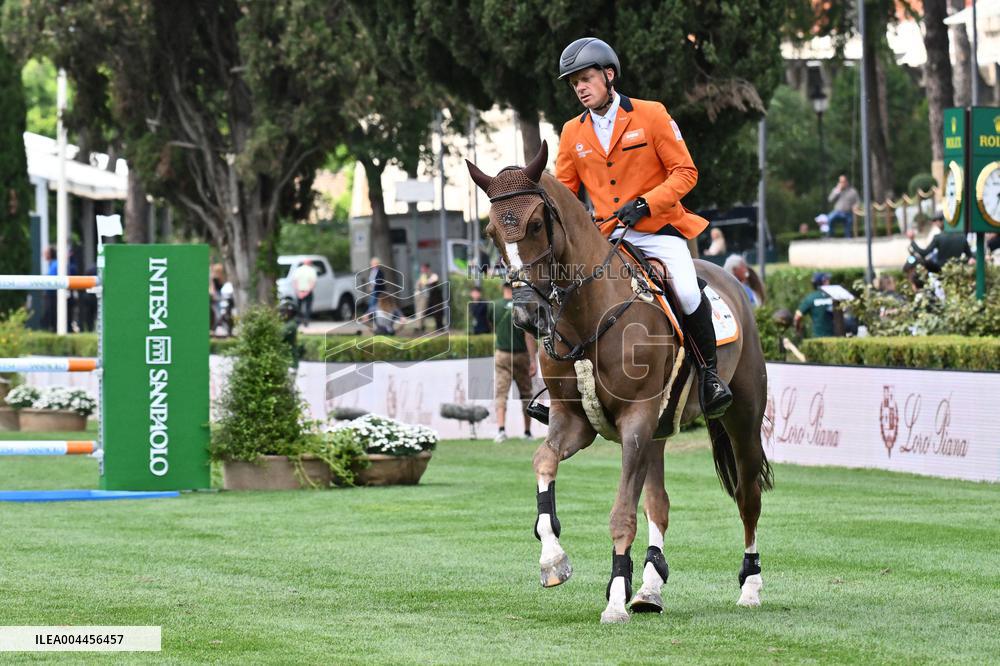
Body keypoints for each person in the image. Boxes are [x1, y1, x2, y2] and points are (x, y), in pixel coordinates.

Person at [554, 37, 731, 418]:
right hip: (606, 238)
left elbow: (686, 172)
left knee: (685, 291)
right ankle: (558, 387)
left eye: (586, 78)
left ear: (609, 74)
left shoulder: (651, 114)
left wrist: (647, 203)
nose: (580, 88)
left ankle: (709, 376)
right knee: (565, 294)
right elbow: (566, 197)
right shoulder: (571, 132)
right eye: (574, 84)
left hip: (657, 229)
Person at [490, 282, 537, 442]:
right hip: (521, 355)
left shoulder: (494, 306)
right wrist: (533, 360)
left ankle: (501, 430)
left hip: (502, 354)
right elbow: (529, 335)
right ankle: (527, 432)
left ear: (503, 288)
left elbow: (493, 327)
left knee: (501, 393)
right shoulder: (523, 307)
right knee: (526, 394)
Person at [906, 213, 972, 272]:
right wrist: (960, 263)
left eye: (935, 221)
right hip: (957, 271)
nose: (935, 224)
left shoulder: (938, 237)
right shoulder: (962, 236)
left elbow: (924, 253)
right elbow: (969, 256)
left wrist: (912, 241)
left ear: (942, 222)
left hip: (942, 271)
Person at [794, 272, 835, 338]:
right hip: (836, 335)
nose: (829, 282)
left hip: (818, 337)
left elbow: (797, 316)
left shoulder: (811, 298)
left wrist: (798, 329)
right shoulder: (834, 296)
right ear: (823, 282)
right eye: (827, 280)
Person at [291, 259, 319, 325]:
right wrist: (307, 292)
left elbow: (295, 281)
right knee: (308, 308)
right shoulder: (312, 270)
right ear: (310, 263)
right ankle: (306, 321)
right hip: (308, 291)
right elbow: (313, 282)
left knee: (298, 307)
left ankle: (298, 322)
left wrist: (298, 291)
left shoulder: (298, 270)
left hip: (299, 291)